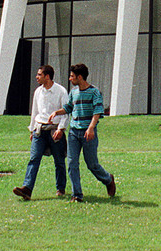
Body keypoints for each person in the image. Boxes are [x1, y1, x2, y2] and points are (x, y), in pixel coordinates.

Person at [47, 63, 116, 202]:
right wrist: (56, 112)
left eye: (72, 76)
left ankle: (108, 179)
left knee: (92, 164)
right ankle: (77, 195)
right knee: (72, 163)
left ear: (80, 77)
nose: (70, 78)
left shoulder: (94, 92)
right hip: (73, 132)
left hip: (88, 133)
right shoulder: (74, 92)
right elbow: (69, 107)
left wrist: (90, 128)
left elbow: (97, 112)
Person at [13, 65, 69, 201]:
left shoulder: (61, 91)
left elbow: (66, 112)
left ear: (47, 76)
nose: (37, 77)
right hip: (39, 130)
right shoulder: (38, 92)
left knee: (59, 161)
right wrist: (32, 129)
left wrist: (61, 129)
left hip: (54, 130)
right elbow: (35, 112)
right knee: (34, 158)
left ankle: (60, 188)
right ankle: (27, 189)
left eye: (39, 75)